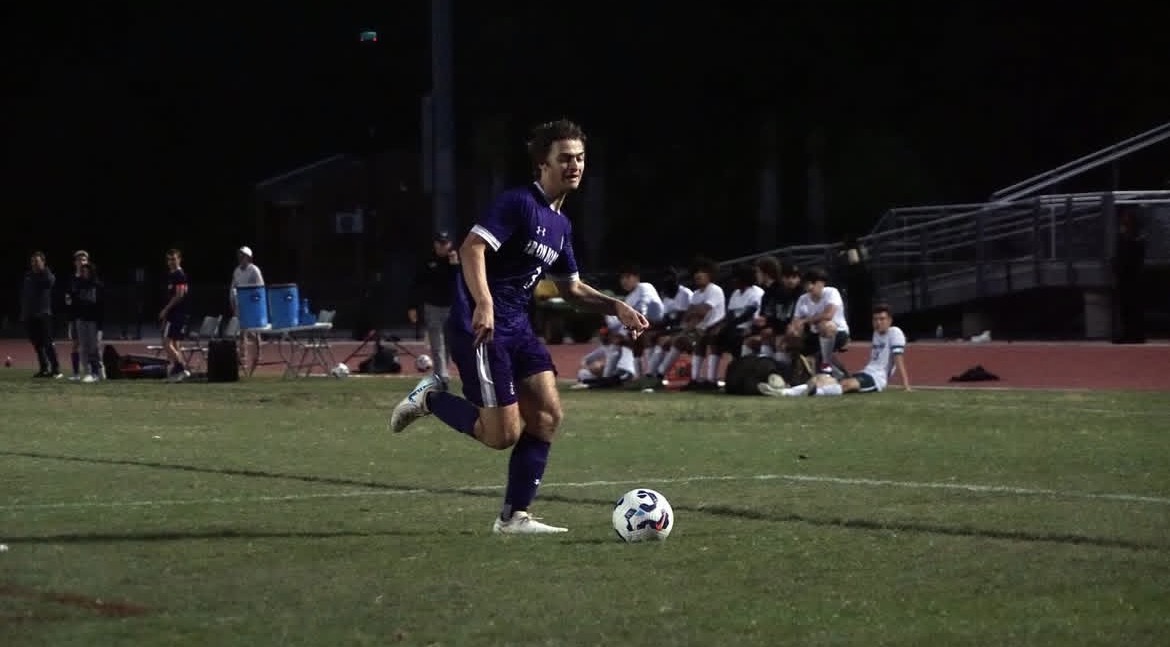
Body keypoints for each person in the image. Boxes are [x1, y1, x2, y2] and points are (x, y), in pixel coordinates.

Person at [390, 119, 649, 535]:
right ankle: (431, 399)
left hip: (519, 328)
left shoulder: (561, 225)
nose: (575, 166)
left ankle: (514, 518)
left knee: (547, 416)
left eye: (580, 158)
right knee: (501, 436)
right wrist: (484, 303)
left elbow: (571, 288)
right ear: (542, 164)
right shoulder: (518, 203)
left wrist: (615, 306)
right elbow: (472, 247)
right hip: (482, 328)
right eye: (565, 158)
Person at [761, 304, 909, 396]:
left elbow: (898, 358)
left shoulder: (895, 332)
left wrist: (906, 386)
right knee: (821, 379)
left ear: (890, 320)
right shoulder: (876, 334)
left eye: (882, 319)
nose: (878, 322)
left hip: (877, 379)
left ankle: (808, 392)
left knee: (846, 385)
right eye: (875, 319)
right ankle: (784, 391)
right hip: (866, 372)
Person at [407, 231, 461, 385]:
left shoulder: (456, 261)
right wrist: (412, 306)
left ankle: (443, 372)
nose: (442, 247)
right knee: (437, 343)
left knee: (449, 342)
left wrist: (455, 266)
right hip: (432, 306)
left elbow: (460, 283)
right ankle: (441, 376)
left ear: (450, 244)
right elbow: (416, 284)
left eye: (445, 243)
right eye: (439, 243)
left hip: (452, 307)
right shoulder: (427, 260)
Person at [20, 251, 62, 378]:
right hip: (30, 315)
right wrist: (24, 313)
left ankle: (56, 369)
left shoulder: (46, 275)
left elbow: (51, 281)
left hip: (43, 314)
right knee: (37, 344)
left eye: (37, 261)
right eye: (33, 261)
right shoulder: (28, 276)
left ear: (43, 262)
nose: (34, 264)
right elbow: (25, 295)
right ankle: (44, 368)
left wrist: (44, 270)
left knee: (48, 343)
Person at [230, 246, 266, 373]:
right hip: (240, 304)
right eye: (239, 255)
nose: (240, 258)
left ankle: (258, 355)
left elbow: (260, 287)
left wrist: (255, 303)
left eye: (243, 255)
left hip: (252, 304)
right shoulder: (237, 271)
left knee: (254, 332)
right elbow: (233, 287)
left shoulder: (254, 270)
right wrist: (233, 302)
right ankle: (242, 357)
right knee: (241, 332)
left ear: (248, 257)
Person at [159, 248, 191, 382]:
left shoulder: (179, 275)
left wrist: (166, 310)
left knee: (166, 342)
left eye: (173, 259)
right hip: (173, 314)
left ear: (179, 259)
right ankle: (177, 373)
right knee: (175, 343)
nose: (171, 262)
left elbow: (179, 295)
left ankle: (181, 368)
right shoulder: (171, 275)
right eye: (169, 260)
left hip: (178, 313)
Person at [71, 261, 105, 382]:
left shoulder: (97, 285)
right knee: (83, 347)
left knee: (93, 347)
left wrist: (100, 326)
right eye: (83, 271)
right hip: (81, 320)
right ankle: (88, 372)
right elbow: (74, 302)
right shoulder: (78, 285)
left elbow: (101, 306)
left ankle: (97, 371)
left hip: (93, 320)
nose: (84, 273)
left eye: (87, 271)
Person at [65, 249, 90, 380]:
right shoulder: (71, 279)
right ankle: (76, 374)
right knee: (75, 345)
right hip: (75, 317)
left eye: (84, 260)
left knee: (88, 346)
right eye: (79, 260)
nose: (81, 262)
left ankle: (90, 373)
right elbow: (68, 298)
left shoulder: (89, 278)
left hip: (87, 317)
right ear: (75, 262)